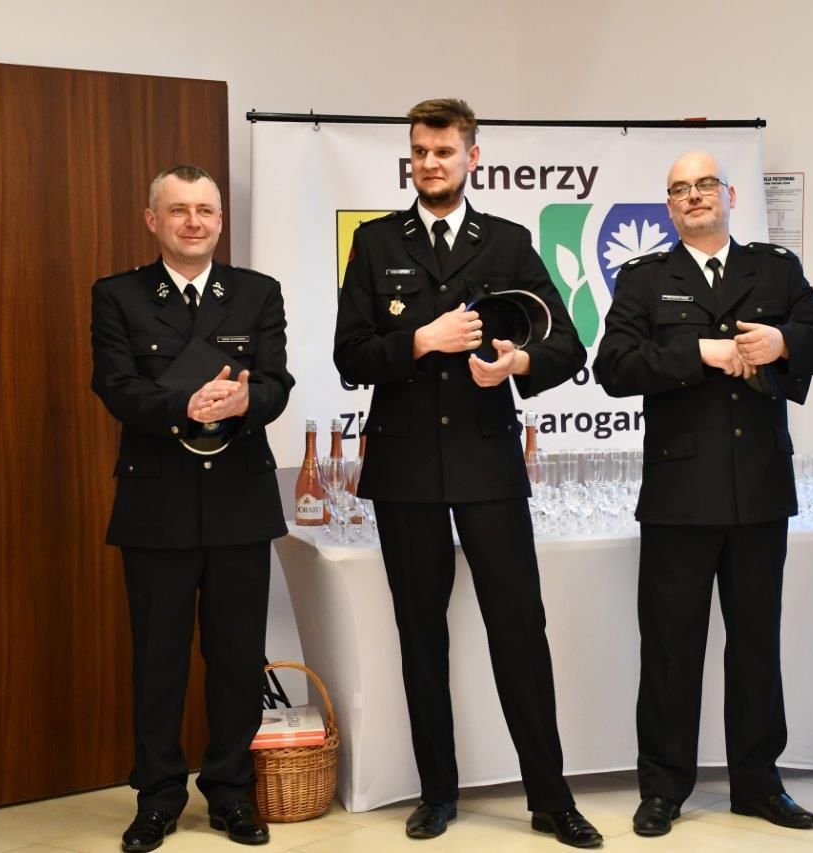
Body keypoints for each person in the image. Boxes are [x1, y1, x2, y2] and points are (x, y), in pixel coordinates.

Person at [332, 98, 601, 848]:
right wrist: (420, 340)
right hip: (406, 465)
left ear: (472, 157)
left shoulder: (507, 242)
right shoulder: (376, 242)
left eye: (444, 151)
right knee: (420, 636)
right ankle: (437, 794)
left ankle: (550, 798)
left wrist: (517, 361)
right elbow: (350, 352)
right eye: (420, 151)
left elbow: (567, 345)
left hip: (488, 463)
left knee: (520, 629)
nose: (430, 163)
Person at [593, 151, 813, 836]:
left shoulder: (776, 270)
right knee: (670, 648)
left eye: (705, 184)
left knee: (756, 645)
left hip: (760, 489)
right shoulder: (646, 279)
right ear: (669, 207)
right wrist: (699, 352)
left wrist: (782, 342)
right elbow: (613, 367)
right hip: (678, 493)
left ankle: (758, 784)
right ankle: (663, 788)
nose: (694, 196)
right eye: (680, 189)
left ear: (730, 195)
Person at [91, 165, 295, 851]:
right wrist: (186, 402)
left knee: (237, 659)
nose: (193, 222)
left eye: (205, 210)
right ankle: (157, 799)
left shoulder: (257, 292)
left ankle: (232, 794)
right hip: (157, 503)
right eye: (178, 210)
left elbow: (277, 382)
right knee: (159, 661)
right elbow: (114, 385)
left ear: (220, 220)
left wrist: (247, 399)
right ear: (153, 220)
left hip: (240, 502)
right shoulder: (117, 295)